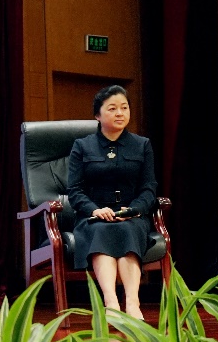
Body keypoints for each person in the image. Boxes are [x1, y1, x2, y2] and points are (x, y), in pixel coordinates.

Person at [66, 85, 158, 320]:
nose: (120, 113)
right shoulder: (82, 146)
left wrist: (136, 209)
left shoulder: (142, 145)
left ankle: (133, 302)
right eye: (112, 108)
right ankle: (111, 302)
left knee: (128, 229)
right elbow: (74, 191)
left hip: (132, 214)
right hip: (93, 216)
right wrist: (95, 210)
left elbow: (149, 187)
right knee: (102, 230)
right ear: (97, 115)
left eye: (124, 108)